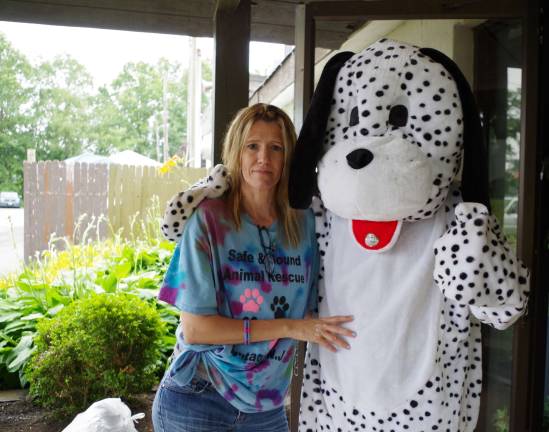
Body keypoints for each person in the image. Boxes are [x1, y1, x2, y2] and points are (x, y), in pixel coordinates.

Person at [152, 103, 355, 432]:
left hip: (267, 406)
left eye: (276, 148)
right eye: (253, 146)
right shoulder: (208, 221)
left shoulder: (308, 222)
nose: (264, 158)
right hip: (199, 397)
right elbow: (197, 330)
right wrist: (290, 327)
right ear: (236, 152)